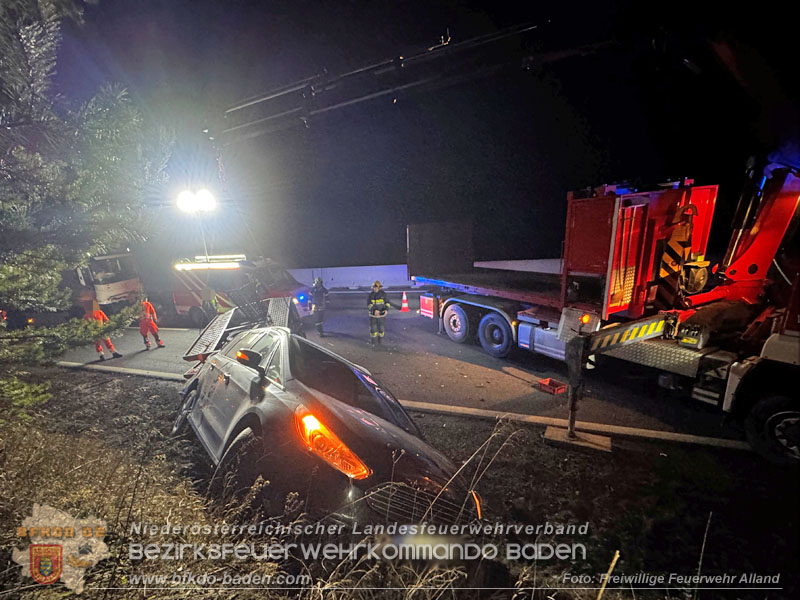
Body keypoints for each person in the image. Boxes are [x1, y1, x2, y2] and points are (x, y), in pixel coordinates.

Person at [367, 280, 390, 345]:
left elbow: (387, 303)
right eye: (374, 287)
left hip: (381, 315)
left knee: (381, 329)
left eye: (376, 287)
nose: (375, 289)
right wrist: (374, 311)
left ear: (379, 288)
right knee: (373, 329)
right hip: (373, 316)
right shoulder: (371, 295)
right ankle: (373, 342)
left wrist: (386, 310)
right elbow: (369, 304)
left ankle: (380, 342)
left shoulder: (383, 294)